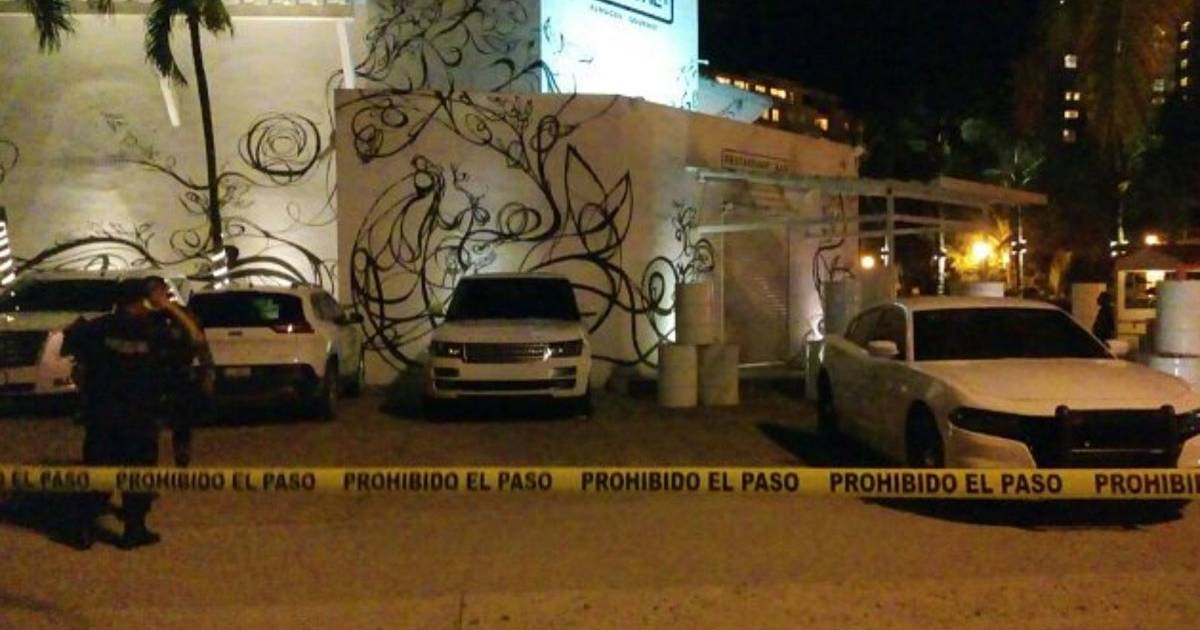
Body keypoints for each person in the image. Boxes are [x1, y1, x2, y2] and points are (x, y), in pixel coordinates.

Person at [63, 277, 191, 550]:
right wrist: (168, 306)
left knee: (98, 474)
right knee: (139, 476)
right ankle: (134, 530)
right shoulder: (155, 330)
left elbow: (74, 350)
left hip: (102, 415)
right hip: (139, 417)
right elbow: (193, 338)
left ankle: (84, 530)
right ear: (142, 300)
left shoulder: (98, 327)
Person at [145, 276, 214, 468]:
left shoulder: (181, 314)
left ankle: (182, 461)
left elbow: (199, 341)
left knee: (182, 423)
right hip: (152, 374)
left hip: (179, 374)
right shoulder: (145, 316)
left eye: (157, 289)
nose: (154, 294)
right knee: (149, 424)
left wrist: (208, 372)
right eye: (151, 290)